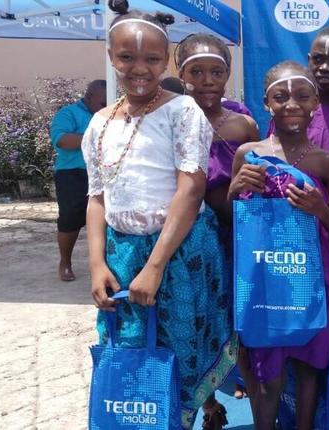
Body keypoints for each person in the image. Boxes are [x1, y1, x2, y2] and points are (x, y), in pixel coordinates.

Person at [83, 2, 236, 428]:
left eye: (151, 59)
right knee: (132, 354)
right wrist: (96, 264)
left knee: (182, 353)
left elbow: (191, 190)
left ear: (165, 60)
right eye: (127, 57)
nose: (139, 69)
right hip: (122, 254)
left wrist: (154, 267)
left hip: (180, 253)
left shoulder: (182, 112)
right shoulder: (99, 123)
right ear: (111, 56)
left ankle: (190, 415)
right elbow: (97, 198)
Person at [227, 61, 329, 430]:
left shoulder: (325, 161)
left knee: (309, 364)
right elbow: (235, 217)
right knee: (267, 369)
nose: (291, 103)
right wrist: (234, 190)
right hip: (265, 274)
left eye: (301, 95)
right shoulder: (248, 153)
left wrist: (319, 210)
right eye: (281, 96)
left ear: (315, 103)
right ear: (267, 102)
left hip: (314, 275)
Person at [176, 32, 259, 227]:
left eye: (217, 72)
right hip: (186, 232)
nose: (208, 81)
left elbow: (254, 184)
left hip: (235, 229)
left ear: (227, 74)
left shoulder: (244, 126)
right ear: (181, 75)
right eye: (196, 72)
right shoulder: (172, 125)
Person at [49, 79, 106, 282]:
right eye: (102, 103)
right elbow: (62, 140)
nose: (106, 107)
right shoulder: (69, 113)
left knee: (108, 218)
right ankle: (65, 262)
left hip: (103, 173)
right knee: (70, 218)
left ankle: (103, 264)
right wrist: (98, 137)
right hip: (73, 172)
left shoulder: (111, 113)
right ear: (88, 97)